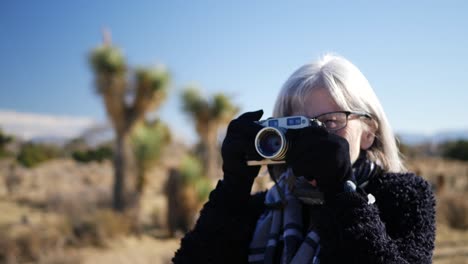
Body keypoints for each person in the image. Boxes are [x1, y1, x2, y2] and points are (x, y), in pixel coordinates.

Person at [172, 54, 435, 263]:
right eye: (297, 126)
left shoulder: (404, 195)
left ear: (368, 132)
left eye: (330, 122)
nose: (314, 137)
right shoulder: (262, 208)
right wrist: (233, 190)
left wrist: (341, 194)